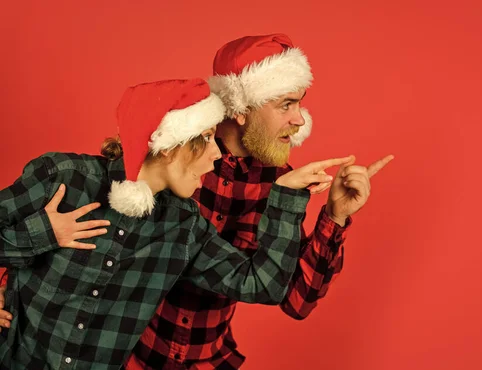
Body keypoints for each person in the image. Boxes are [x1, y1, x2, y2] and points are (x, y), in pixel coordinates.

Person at [0, 78, 349, 370]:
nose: (217, 154)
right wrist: (46, 233)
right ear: (170, 147)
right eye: (208, 140)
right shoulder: (64, 178)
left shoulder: (184, 225)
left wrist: (285, 197)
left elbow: (264, 285)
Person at [125, 34, 394, 369]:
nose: (299, 119)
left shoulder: (280, 183)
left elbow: (297, 301)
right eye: (286, 104)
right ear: (241, 109)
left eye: (300, 104)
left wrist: (335, 216)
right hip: (128, 356)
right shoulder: (179, 157)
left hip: (207, 360)